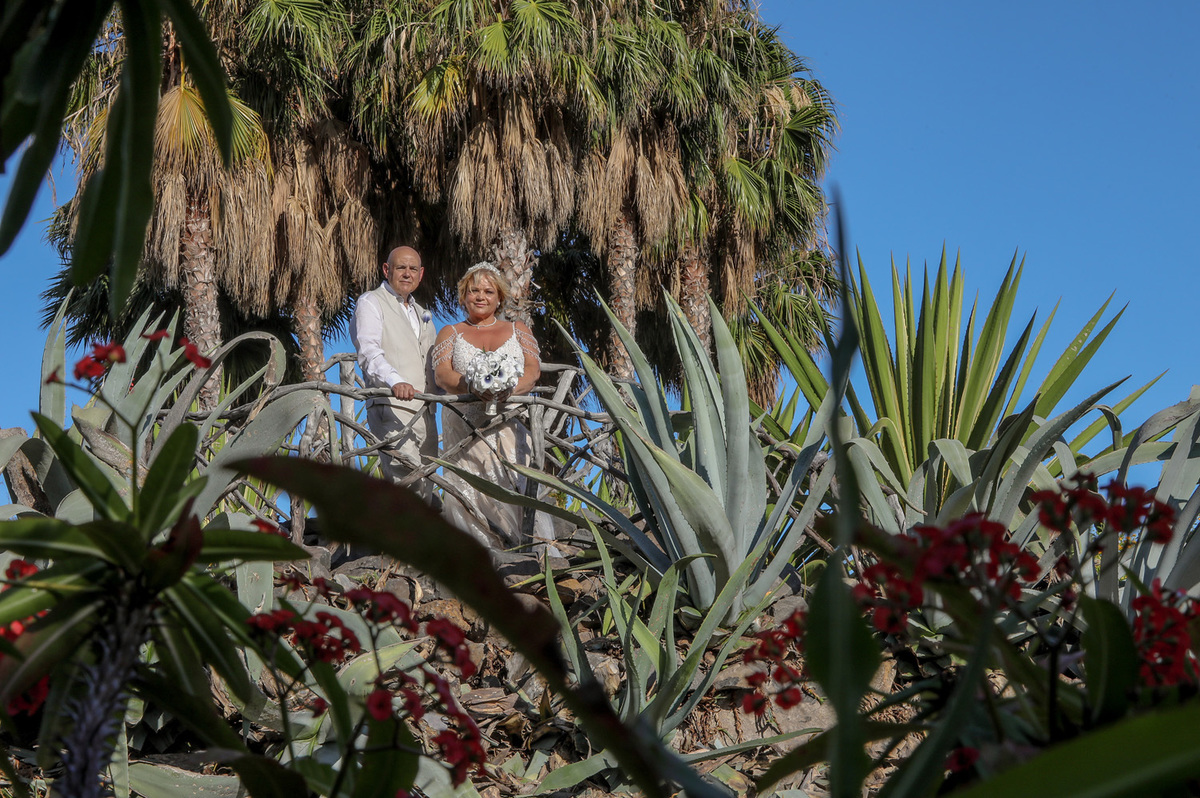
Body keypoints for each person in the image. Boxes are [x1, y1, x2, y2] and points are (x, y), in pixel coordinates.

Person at [431, 262, 556, 552]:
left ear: (499, 298)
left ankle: (525, 550)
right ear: (464, 296)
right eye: (473, 290)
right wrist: (472, 387)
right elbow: (443, 375)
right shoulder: (449, 332)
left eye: (488, 291)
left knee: (511, 479)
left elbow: (532, 371)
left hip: (509, 423)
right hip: (464, 427)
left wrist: (506, 389)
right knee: (470, 486)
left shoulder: (517, 329)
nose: (480, 296)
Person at [351, 246, 437, 494]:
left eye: (413, 269)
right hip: (391, 408)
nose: (407, 274)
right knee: (406, 483)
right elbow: (368, 351)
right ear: (387, 270)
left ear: (421, 275)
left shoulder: (423, 313)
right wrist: (395, 380)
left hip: (427, 413)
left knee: (428, 489)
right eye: (401, 267)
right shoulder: (371, 302)